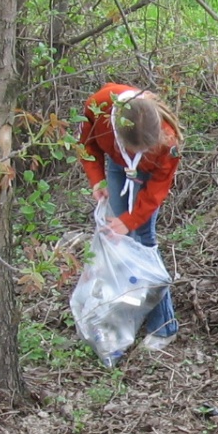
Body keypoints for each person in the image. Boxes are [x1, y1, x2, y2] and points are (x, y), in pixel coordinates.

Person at [78, 84, 183, 349]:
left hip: (148, 175)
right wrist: (97, 181)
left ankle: (164, 326)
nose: (138, 154)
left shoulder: (167, 140)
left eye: (143, 150)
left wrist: (130, 221)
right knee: (116, 239)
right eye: (135, 149)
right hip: (116, 165)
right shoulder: (99, 106)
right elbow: (87, 146)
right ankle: (124, 312)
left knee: (142, 239)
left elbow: (158, 189)